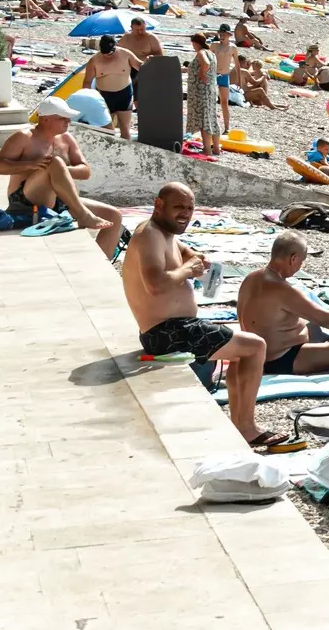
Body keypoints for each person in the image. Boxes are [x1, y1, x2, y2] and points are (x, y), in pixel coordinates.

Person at [122, 184, 286, 450]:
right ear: (159, 205)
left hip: (176, 328)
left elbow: (186, 252)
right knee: (255, 346)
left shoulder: (165, 234)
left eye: (190, 208)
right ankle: (245, 428)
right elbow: (155, 284)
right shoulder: (149, 234)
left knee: (243, 351)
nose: (185, 214)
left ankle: (241, 423)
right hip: (167, 333)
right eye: (178, 207)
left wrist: (196, 259)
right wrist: (188, 270)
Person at [0, 97, 124, 252]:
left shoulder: (66, 138)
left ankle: (102, 260)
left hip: (59, 199)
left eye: (68, 118)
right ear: (46, 119)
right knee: (55, 162)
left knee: (114, 215)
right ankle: (83, 215)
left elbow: (85, 171)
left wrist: (57, 171)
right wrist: (31, 164)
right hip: (24, 199)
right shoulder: (24, 137)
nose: (68, 121)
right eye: (63, 118)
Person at [236, 233, 329, 375]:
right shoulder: (282, 290)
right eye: (302, 261)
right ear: (293, 259)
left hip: (254, 354)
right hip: (281, 359)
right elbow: (326, 320)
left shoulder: (251, 278)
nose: (301, 266)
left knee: (316, 327)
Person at [80, 35, 136, 139]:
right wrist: (86, 99)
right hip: (105, 96)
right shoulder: (94, 60)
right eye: (105, 53)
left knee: (125, 129)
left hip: (125, 95)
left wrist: (150, 62)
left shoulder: (126, 54)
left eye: (111, 52)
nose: (108, 55)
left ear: (116, 46)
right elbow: (87, 82)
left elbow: (141, 66)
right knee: (106, 130)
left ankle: (125, 149)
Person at [184, 32, 221, 158]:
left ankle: (207, 149)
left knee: (203, 120)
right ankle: (216, 148)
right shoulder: (211, 53)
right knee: (211, 118)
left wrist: (201, 73)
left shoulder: (201, 52)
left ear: (195, 43)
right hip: (210, 90)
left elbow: (205, 64)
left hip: (201, 92)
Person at [211, 24, 236, 137]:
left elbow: (237, 64)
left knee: (224, 102)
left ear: (229, 35)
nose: (222, 36)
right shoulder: (214, 45)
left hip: (224, 75)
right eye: (220, 34)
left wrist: (239, 79)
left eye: (224, 34)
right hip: (213, 75)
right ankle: (211, 125)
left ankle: (227, 127)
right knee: (211, 100)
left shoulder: (232, 48)